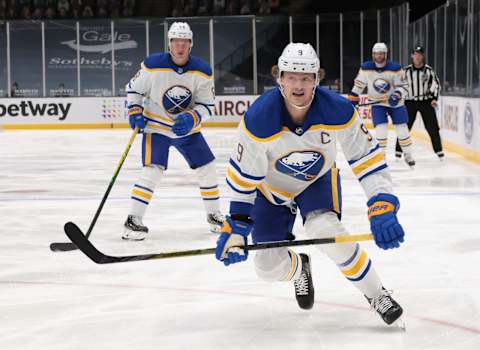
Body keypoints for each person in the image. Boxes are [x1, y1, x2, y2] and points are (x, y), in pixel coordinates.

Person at [215, 42, 405, 326]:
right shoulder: (258, 119)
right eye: (291, 76)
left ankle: (376, 294)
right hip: (270, 191)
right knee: (266, 268)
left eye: (306, 77)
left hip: (316, 180)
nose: (298, 85)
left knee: (326, 230)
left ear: (317, 79)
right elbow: (244, 176)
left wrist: (381, 202)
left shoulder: (338, 110)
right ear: (279, 78)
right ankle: (299, 268)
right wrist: (237, 225)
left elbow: (367, 159)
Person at [123, 21, 225, 241]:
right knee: (153, 170)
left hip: (186, 130)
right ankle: (133, 219)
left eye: (184, 42)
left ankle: (215, 216)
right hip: (156, 126)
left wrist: (193, 117)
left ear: (190, 44)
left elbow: (208, 105)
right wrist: (134, 110)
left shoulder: (202, 71)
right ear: (170, 43)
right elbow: (133, 89)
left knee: (207, 168)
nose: (180, 46)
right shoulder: (152, 65)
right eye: (176, 41)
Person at [348, 42, 415, 168]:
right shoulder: (366, 68)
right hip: (377, 104)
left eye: (381, 54)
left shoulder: (395, 68)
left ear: (385, 54)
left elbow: (404, 86)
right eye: (376, 54)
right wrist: (353, 97)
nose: (378, 56)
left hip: (396, 104)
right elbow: (359, 84)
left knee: (402, 130)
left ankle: (408, 154)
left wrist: (396, 95)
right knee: (381, 131)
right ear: (373, 55)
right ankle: (381, 156)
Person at [395, 46, 444, 160]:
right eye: (415, 54)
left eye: (419, 54)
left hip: (426, 102)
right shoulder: (406, 71)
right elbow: (399, 85)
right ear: (412, 56)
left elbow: (436, 85)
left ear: (423, 56)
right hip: (409, 102)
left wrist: (434, 98)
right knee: (405, 127)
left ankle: (439, 151)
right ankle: (398, 151)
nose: (417, 57)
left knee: (432, 127)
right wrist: (399, 96)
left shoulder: (429, 70)